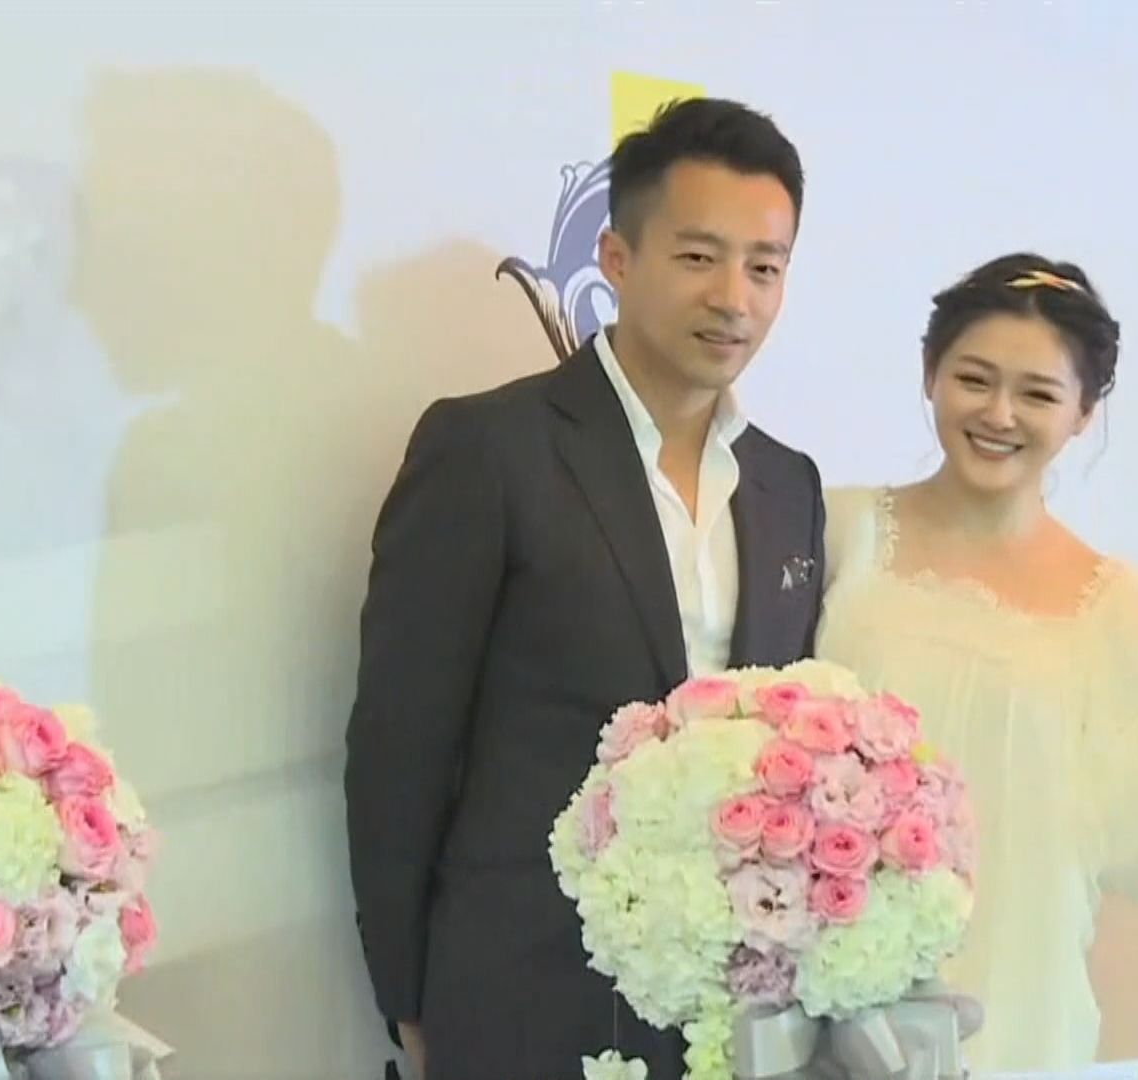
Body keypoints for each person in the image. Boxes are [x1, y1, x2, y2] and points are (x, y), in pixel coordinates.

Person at [345, 98, 826, 1080]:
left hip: (727, 1011)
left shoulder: (788, 486)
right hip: (521, 992)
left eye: (764, 267)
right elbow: (400, 746)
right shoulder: (490, 450)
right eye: (698, 257)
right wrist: (408, 999)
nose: (733, 297)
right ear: (616, 258)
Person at [816, 254, 1138, 1070]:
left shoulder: (1120, 607)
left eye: (1037, 394)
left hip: (1018, 1004)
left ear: (1082, 415)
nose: (998, 414)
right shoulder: (836, 532)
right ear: (930, 373)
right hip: (822, 988)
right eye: (974, 379)